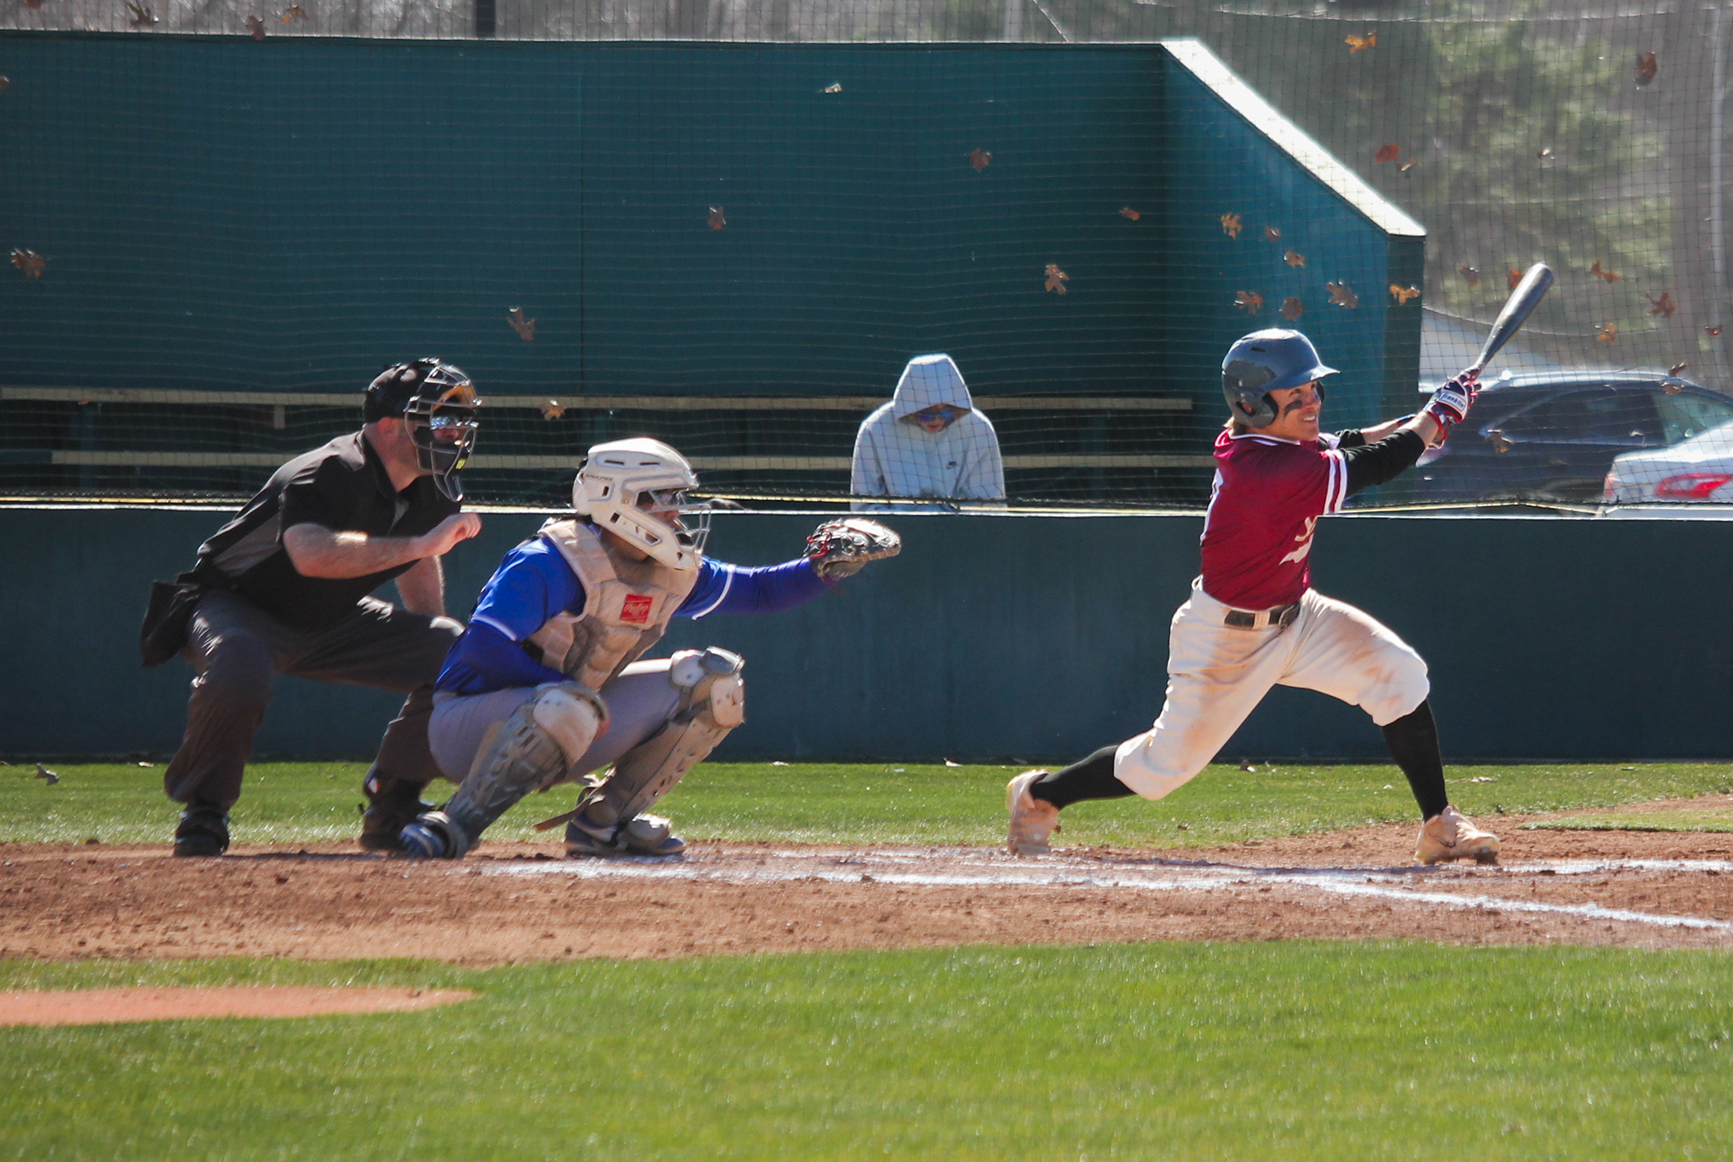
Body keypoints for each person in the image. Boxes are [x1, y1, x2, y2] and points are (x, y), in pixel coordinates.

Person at [1004, 328, 1501, 866]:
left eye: (1313, 389)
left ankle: (1438, 824)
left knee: (1397, 673)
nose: (1312, 401)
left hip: (1299, 616)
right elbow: (1374, 465)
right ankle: (1041, 795)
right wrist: (1434, 419)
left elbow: (1348, 442)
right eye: (1296, 394)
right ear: (1252, 404)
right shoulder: (1267, 470)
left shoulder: (1273, 444)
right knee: (1163, 767)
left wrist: (1421, 423)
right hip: (1227, 637)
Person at [397, 438, 899, 860]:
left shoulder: (667, 569)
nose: (675, 511)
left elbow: (760, 591)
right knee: (567, 702)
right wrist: (564, 689)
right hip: (468, 727)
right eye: (661, 498)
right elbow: (483, 647)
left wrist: (819, 566)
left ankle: (603, 825)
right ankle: (456, 823)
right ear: (616, 499)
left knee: (714, 682)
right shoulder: (549, 560)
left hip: (573, 718)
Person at [144, 359, 484, 858]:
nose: (453, 431)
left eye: (459, 420)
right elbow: (310, 554)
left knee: (456, 653)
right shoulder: (328, 469)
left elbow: (417, 557)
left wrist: (429, 636)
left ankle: (392, 799)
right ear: (390, 426)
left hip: (332, 617)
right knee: (240, 664)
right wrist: (419, 545)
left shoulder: (434, 485)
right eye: (439, 418)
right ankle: (204, 810)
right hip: (237, 605)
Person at [851, 353, 1005, 511]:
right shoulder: (875, 429)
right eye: (927, 413)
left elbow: (989, 503)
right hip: (891, 526)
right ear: (910, 409)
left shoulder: (978, 429)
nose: (937, 420)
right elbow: (864, 505)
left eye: (946, 412)